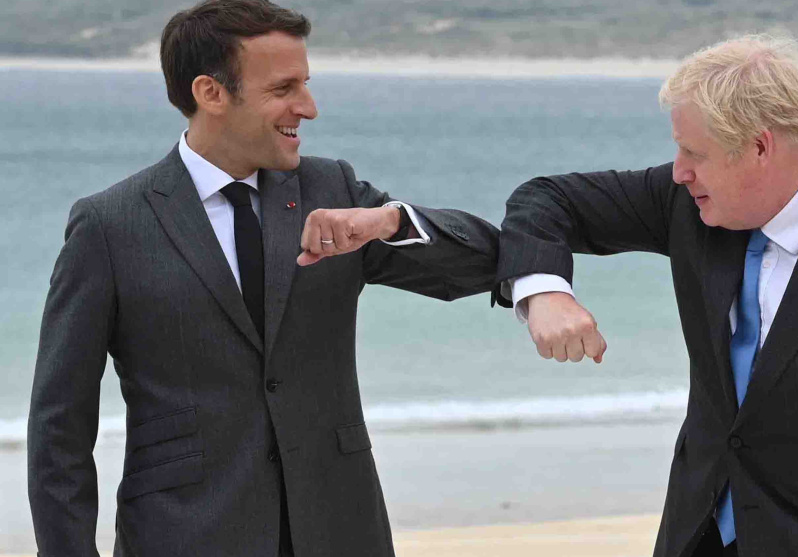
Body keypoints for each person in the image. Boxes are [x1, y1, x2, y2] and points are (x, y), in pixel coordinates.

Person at [27, 1, 498, 555]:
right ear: (211, 93)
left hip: (340, 532)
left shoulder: (334, 191)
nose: (309, 108)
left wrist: (390, 220)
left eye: (306, 84)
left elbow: (486, 263)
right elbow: (59, 429)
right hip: (183, 536)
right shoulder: (109, 225)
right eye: (283, 89)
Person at [494, 35, 798, 557]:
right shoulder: (688, 204)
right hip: (703, 534)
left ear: (759, 147)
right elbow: (546, 199)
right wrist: (545, 290)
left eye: (694, 153)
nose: (679, 171)